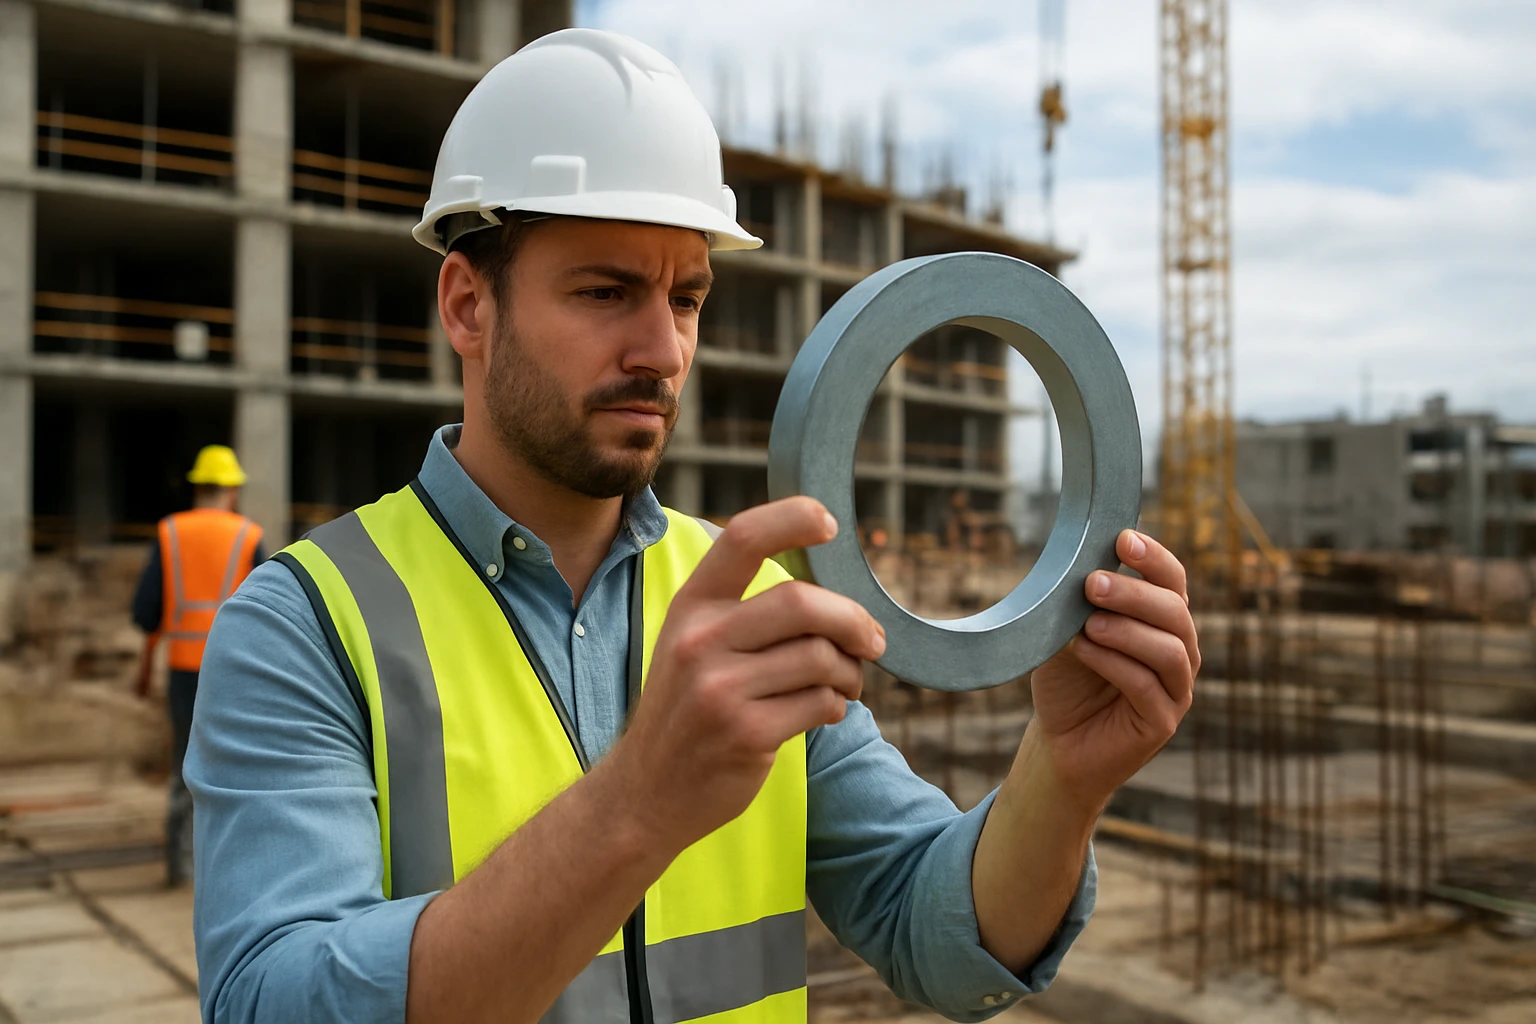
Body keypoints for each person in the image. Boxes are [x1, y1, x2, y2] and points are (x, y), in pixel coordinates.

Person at [188, 29, 1199, 1024]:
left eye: (688, 297)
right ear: (467, 304)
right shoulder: (306, 624)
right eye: (606, 291)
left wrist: (1062, 776)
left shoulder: (749, 603)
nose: (663, 349)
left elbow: (933, 933)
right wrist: (635, 805)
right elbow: (270, 1001)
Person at [130, 444, 263, 886]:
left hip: (185, 667)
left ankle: (180, 867)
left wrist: (148, 662)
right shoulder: (248, 535)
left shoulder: (169, 532)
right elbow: (271, 611)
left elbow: (147, 612)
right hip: (237, 668)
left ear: (197, 486)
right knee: (240, 765)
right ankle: (234, 868)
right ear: (232, 491)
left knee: (184, 767)